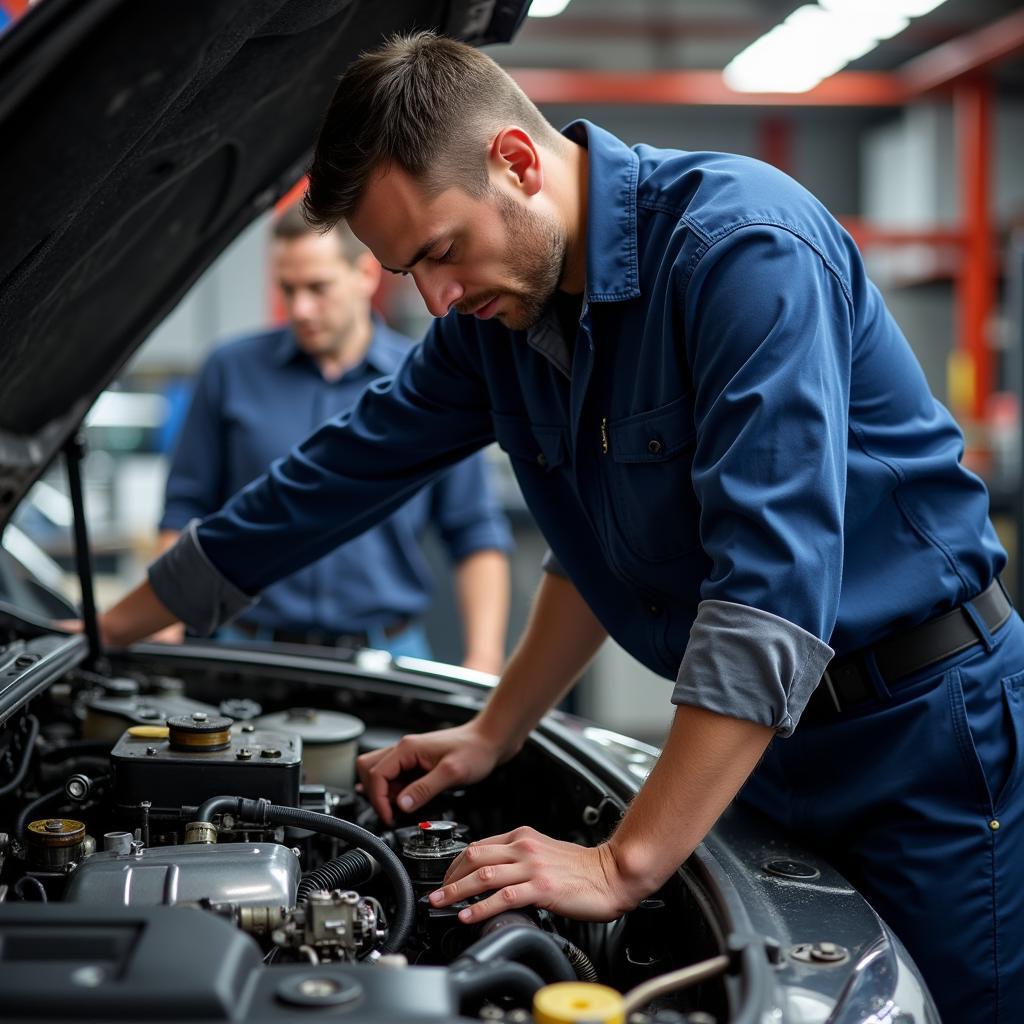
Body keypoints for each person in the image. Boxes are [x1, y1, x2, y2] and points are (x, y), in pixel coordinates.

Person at [95, 33, 1022, 1024]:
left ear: (518, 162)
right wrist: (101, 635)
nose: (438, 298)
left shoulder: (741, 251)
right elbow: (337, 484)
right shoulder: (497, 328)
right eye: (408, 270)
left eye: (442, 250)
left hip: (924, 742)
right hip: (760, 750)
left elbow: (770, 596)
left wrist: (625, 861)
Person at [154, 205, 513, 671]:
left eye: (317, 288)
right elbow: (185, 508)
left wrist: (484, 662)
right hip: (250, 651)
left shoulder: (430, 381)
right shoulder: (229, 372)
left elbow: (475, 532)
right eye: (288, 289)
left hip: (389, 654)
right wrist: (162, 627)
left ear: (365, 274)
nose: (300, 309)